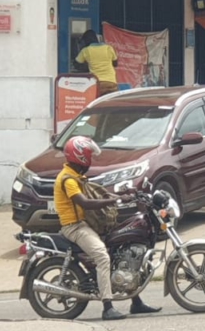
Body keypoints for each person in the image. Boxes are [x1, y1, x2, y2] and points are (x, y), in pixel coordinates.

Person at [54, 136, 161, 320]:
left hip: (85, 224)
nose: (90, 161)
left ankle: (136, 302)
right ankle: (107, 307)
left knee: (122, 251)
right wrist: (115, 200)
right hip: (75, 227)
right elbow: (86, 203)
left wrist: (125, 194)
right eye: (89, 156)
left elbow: (97, 192)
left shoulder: (77, 176)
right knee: (103, 257)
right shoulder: (68, 180)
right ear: (81, 157)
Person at [75, 30, 120, 96]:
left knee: (97, 103)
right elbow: (115, 64)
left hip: (97, 83)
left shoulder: (86, 50)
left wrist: (87, 67)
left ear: (85, 41)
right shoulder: (108, 48)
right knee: (111, 102)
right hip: (111, 82)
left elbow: (76, 64)